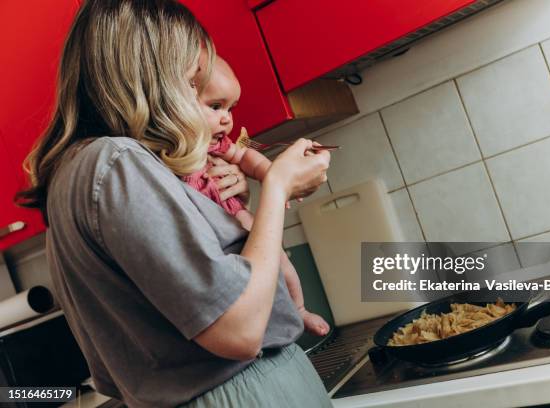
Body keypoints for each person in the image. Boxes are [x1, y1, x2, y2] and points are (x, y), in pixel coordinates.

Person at [15, 1, 332, 407]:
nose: (193, 93)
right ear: (148, 74)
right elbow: (238, 331)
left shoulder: (102, 168)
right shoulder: (114, 163)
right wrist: (277, 186)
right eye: (187, 79)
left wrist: (232, 205)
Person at [183, 56, 330, 337]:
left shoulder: (217, 144)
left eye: (230, 108)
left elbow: (245, 155)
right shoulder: (174, 153)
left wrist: (272, 176)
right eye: (215, 106)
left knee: (280, 261)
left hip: (236, 216)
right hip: (211, 237)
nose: (227, 118)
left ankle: (299, 309)